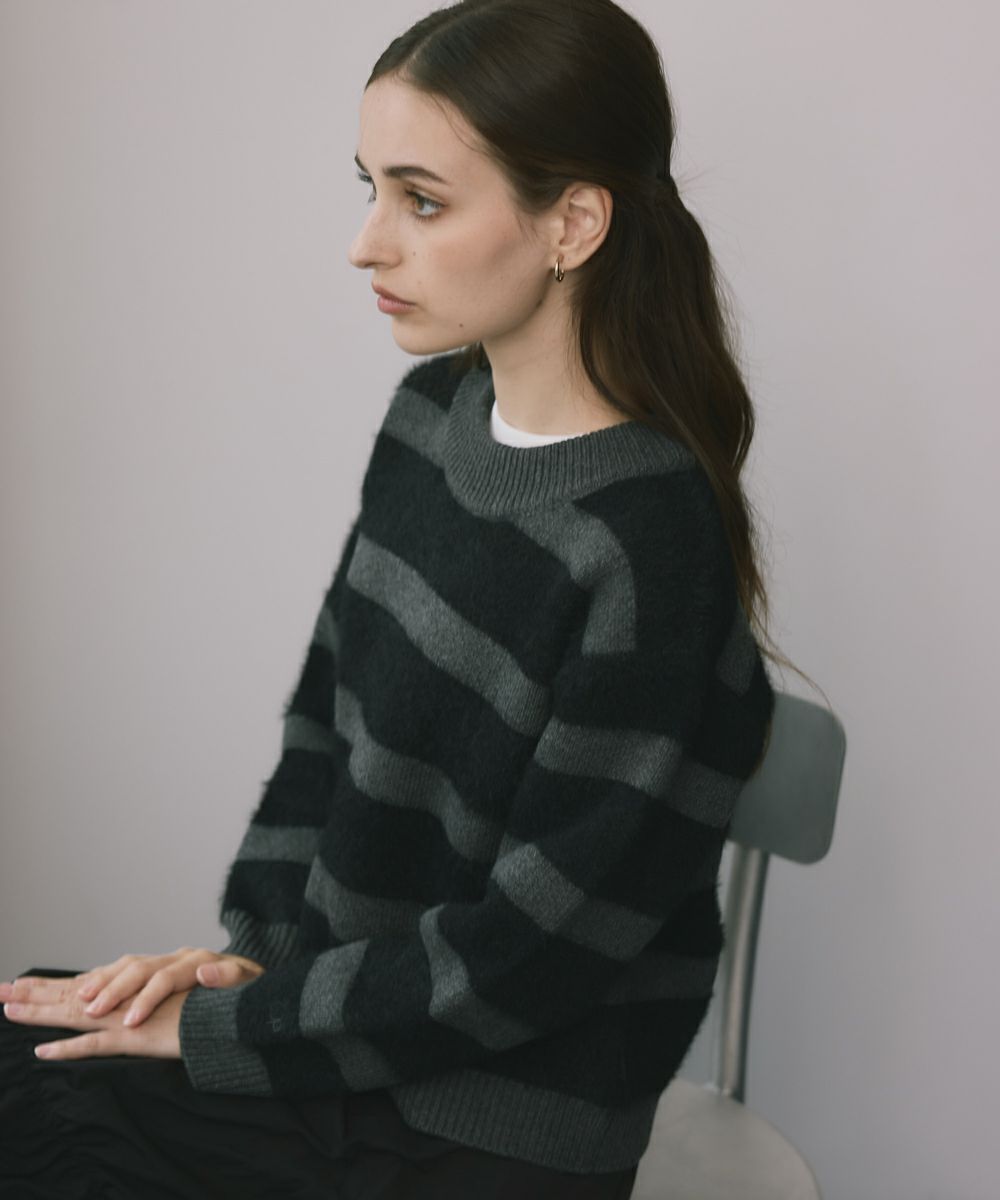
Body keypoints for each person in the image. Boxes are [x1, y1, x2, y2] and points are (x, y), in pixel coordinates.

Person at [0, 1, 792, 1195]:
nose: (366, 244)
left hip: (490, 1123)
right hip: (343, 1035)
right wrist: (243, 969)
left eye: (421, 201)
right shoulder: (433, 418)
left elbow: (524, 961)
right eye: (369, 189)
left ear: (572, 223)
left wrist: (228, 1031)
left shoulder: (647, 550)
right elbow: (324, 729)